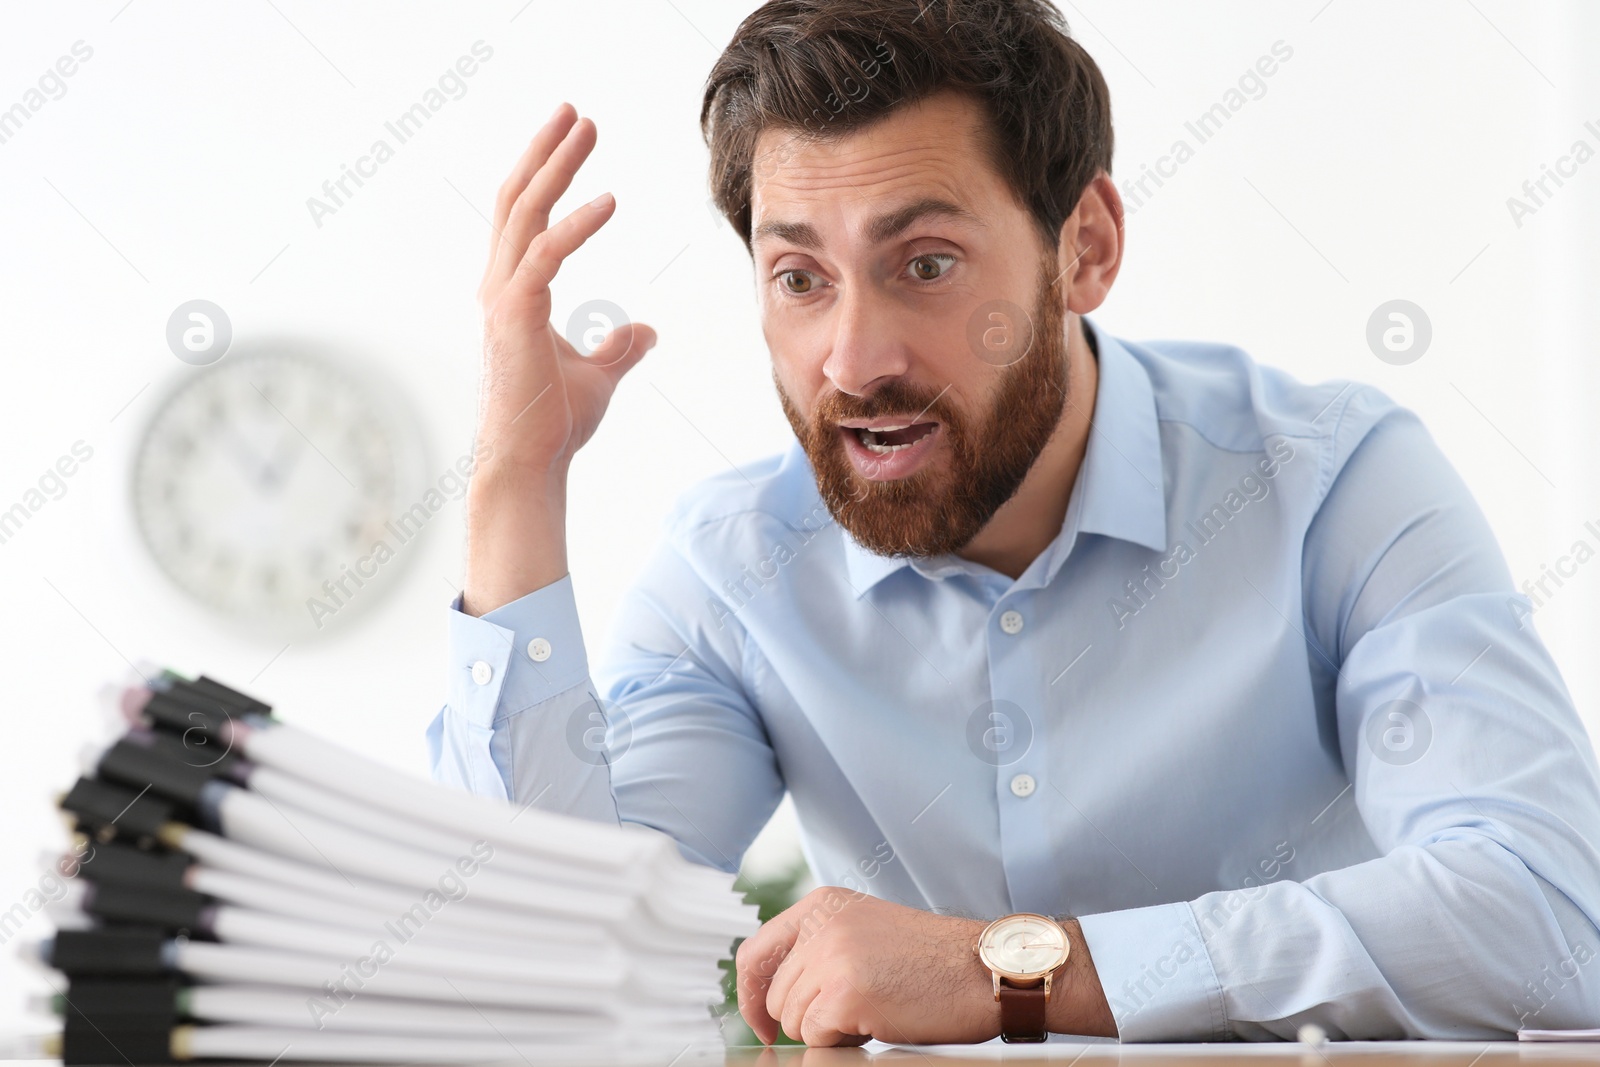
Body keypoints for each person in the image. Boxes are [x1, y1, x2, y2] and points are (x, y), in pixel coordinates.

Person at [427, 0, 1600, 1046]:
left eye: (924, 263)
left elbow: (1549, 916)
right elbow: (556, 967)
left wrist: (1014, 969)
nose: (854, 357)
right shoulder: (733, 570)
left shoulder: (1332, 484)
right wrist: (514, 481)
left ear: (1083, 247)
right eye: (799, 277)